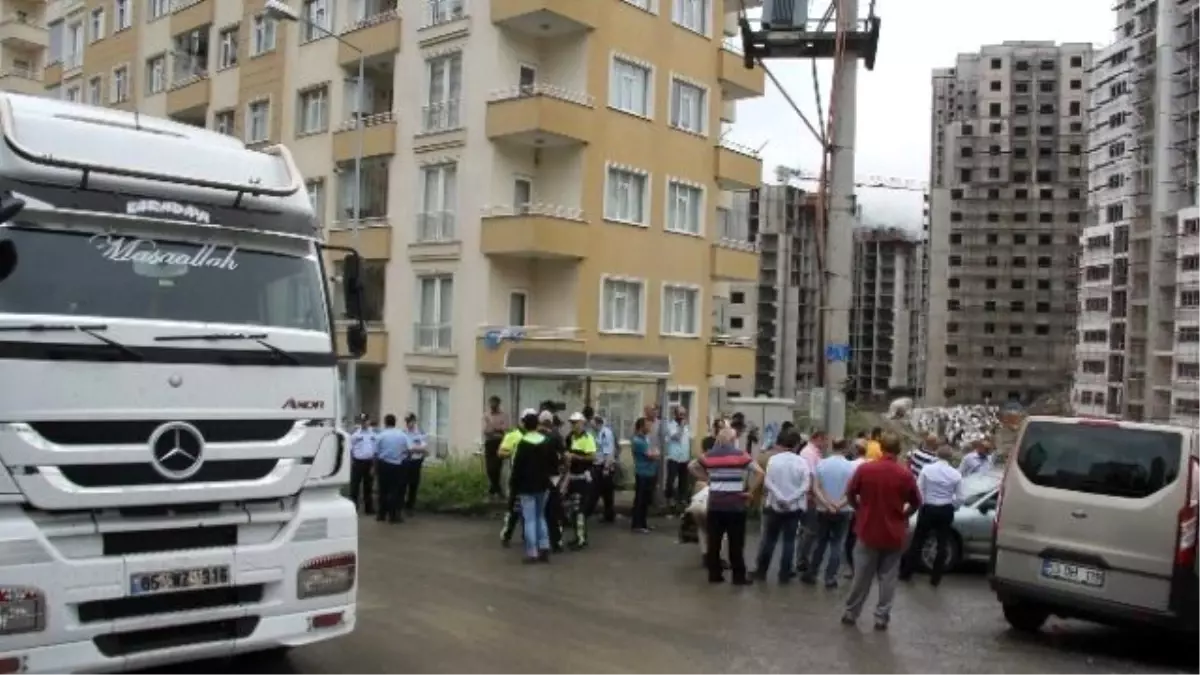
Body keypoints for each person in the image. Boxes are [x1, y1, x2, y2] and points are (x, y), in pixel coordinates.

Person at [841, 432, 922, 630]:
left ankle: (851, 612)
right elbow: (916, 502)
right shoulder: (905, 474)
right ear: (899, 450)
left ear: (880, 447)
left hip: (868, 529)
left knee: (862, 575)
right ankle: (881, 616)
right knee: (888, 577)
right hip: (893, 532)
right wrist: (903, 515)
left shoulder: (866, 470)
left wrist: (860, 509)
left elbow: (851, 493)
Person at [690, 427, 764, 585]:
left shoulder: (710, 455)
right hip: (735, 505)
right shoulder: (740, 455)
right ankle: (738, 576)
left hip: (715, 504)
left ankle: (714, 574)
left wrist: (707, 478)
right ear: (733, 439)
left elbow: (692, 466)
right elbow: (760, 472)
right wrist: (750, 491)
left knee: (714, 541)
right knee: (736, 542)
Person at [900, 445, 964, 586]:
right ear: (951, 458)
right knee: (942, 543)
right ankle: (936, 577)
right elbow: (960, 498)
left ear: (937, 455)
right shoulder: (956, 474)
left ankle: (907, 572)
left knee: (919, 540)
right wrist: (952, 506)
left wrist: (922, 503)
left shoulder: (927, 470)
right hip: (945, 509)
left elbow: (919, 489)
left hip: (928, 508)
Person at [752, 430, 808, 583]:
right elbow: (805, 485)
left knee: (770, 540)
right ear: (797, 445)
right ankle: (784, 574)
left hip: (775, 505)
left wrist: (780, 497)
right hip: (794, 507)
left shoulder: (774, 460)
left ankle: (762, 571)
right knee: (789, 542)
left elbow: (768, 481)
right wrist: (790, 499)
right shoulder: (802, 462)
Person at [805, 438, 857, 587]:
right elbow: (852, 492)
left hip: (823, 509)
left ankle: (812, 573)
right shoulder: (852, 467)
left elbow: (816, 488)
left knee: (820, 541)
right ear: (846, 447)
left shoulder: (821, 464)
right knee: (837, 543)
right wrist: (838, 505)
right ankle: (830, 577)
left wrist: (827, 504)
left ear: (832, 447)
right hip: (844, 510)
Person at [509, 409, 559, 563]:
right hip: (543, 485)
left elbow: (517, 468)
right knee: (540, 516)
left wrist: (514, 485)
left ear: (525, 425)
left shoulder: (523, 444)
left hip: (526, 486)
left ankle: (532, 552)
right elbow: (554, 464)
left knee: (529, 519)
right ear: (537, 425)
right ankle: (544, 547)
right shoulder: (547, 442)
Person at [794, 431, 827, 574]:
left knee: (809, 529)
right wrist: (812, 494)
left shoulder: (814, 453)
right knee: (809, 529)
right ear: (816, 438)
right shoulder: (809, 453)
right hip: (809, 496)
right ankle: (802, 558)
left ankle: (803, 556)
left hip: (811, 495)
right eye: (824, 440)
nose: (826, 444)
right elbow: (811, 475)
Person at [563, 412, 597, 550]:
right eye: (572, 422)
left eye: (576, 422)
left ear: (582, 423)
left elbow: (592, 457)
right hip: (572, 477)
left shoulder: (588, 438)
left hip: (583, 477)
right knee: (572, 508)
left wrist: (576, 457)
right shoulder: (569, 437)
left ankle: (581, 539)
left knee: (580, 509)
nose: (573, 425)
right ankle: (577, 536)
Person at [374, 414, 410, 524]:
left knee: (382, 489)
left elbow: (375, 452)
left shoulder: (381, 435)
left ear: (385, 422)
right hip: (397, 465)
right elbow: (407, 449)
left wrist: (374, 467)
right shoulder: (402, 435)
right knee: (394, 490)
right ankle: (393, 516)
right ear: (395, 422)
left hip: (383, 464)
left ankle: (381, 514)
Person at [498, 419, 528, 547]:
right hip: (516, 476)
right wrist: (514, 451)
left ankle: (527, 535)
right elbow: (500, 452)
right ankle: (506, 535)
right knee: (513, 508)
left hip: (530, 477)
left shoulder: (533, 435)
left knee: (528, 508)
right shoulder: (512, 435)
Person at [585, 414, 617, 523]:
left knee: (597, 491)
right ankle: (609, 515)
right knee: (605, 492)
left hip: (604, 466)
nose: (591, 426)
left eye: (593, 424)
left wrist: (606, 468)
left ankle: (587, 513)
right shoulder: (595, 432)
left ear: (598, 423)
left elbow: (608, 452)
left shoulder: (606, 433)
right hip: (598, 465)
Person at [630, 417, 658, 533]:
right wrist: (654, 453)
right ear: (642, 427)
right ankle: (637, 524)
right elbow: (651, 455)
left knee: (645, 501)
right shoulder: (638, 441)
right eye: (648, 425)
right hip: (642, 473)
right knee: (640, 500)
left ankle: (643, 524)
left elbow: (654, 452)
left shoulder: (645, 439)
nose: (650, 427)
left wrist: (654, 453)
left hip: (649, 473)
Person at [663, 406, 692, 513]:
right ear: (675, 415)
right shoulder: (671, 426)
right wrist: (681, 426)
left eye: (684, 414)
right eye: (681, 414)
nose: (683, 417)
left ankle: (681, 500)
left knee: (684, 481)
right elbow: (676, 437)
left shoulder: (687, 427)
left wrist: (689, 455)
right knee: (671, 480)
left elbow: (688, 441)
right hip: (674, 457)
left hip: (684, 458)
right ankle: (669, 500)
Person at [347, 414, 378, 515]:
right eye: (362, 421)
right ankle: (354, 507)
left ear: (369, 421)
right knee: (355, 486)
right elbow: (350, 450)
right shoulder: (355, 434)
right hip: (358, 462)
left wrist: (374, 465)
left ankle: (369, 508)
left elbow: (375, 450)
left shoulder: (374, 434)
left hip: (369, 462)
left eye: (365, 421)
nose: (364, 423)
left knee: (368, 486)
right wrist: (352, 462)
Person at [482, 396, 509, 499]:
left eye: (495, 404)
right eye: (491, 404)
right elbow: (486, 431)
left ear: (498, 404)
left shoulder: (503, 415)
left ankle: (494, 489)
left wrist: (493, 428)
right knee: (489, 468)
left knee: (497, 466)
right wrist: (497, 429)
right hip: (489, 443)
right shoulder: (486, 415)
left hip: (500, 442)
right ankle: (496, 488)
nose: (493, 406)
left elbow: (505, 429)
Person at [401, 413, 428, 516]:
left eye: (410, 421)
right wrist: (417, 449)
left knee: (414, 485)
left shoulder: (420, 433)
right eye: (407, 422)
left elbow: (424, 448)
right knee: (403, 484)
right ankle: (401, 505)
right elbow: (405, 448)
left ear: (414, 421)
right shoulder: (403, 433)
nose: (409, 424)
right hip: (405, 461)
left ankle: (410, 506)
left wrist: (413, 449)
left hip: (416, 462)